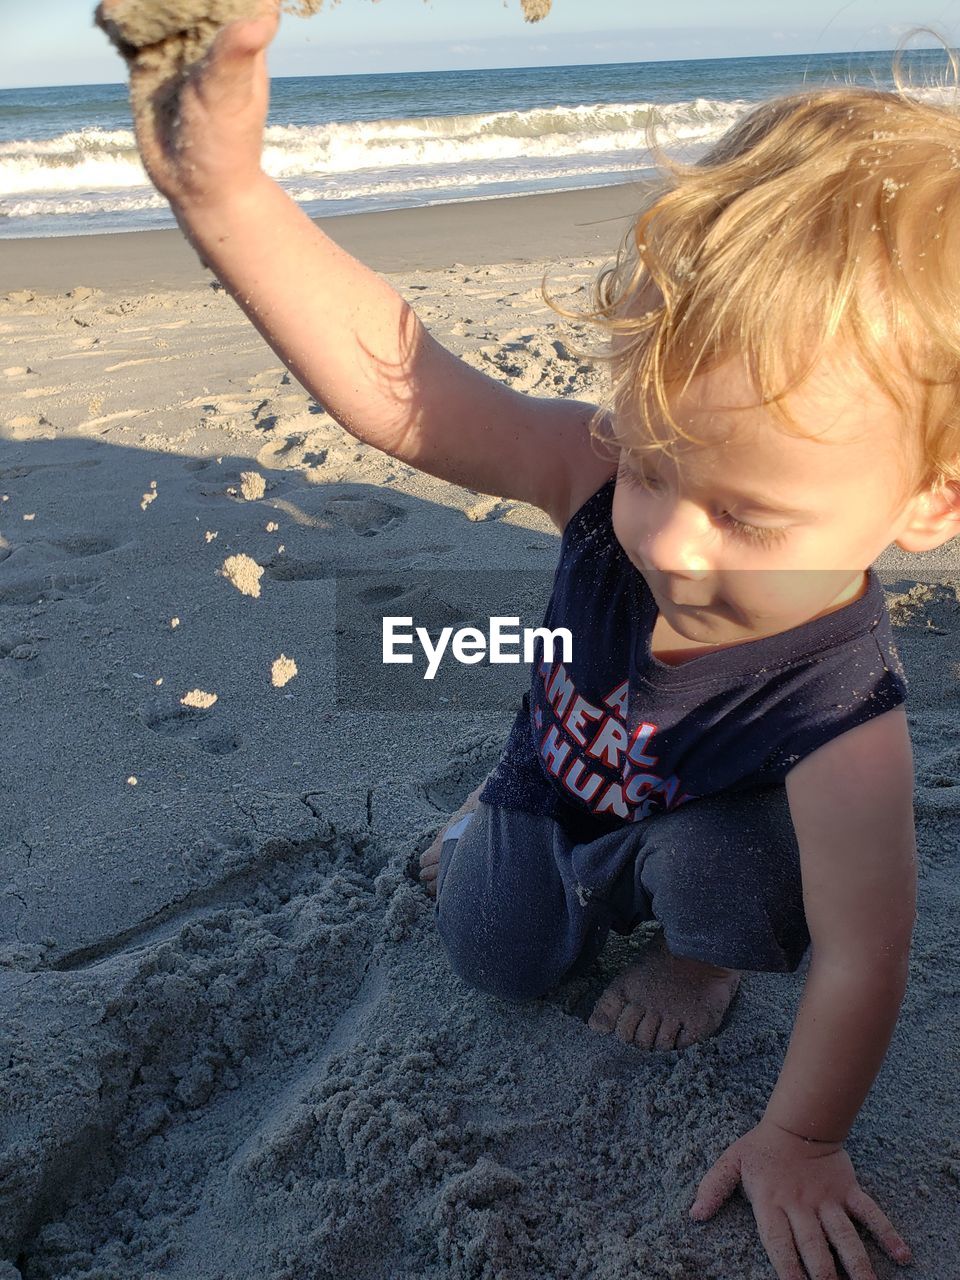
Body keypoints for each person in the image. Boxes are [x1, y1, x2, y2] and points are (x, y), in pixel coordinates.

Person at [101, 2, 960, 1276]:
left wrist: (805, 1134)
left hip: (706, 831)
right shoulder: (595, 470)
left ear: (926, 502)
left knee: (740, 871)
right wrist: (223, 187)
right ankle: (476, 826)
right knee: (496, 952)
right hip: (549, 794)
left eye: (747, 512)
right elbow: (408, 391)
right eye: (658, 464)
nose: (671, 540)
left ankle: (691, 960)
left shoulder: (847, 715)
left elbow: (865, 949)